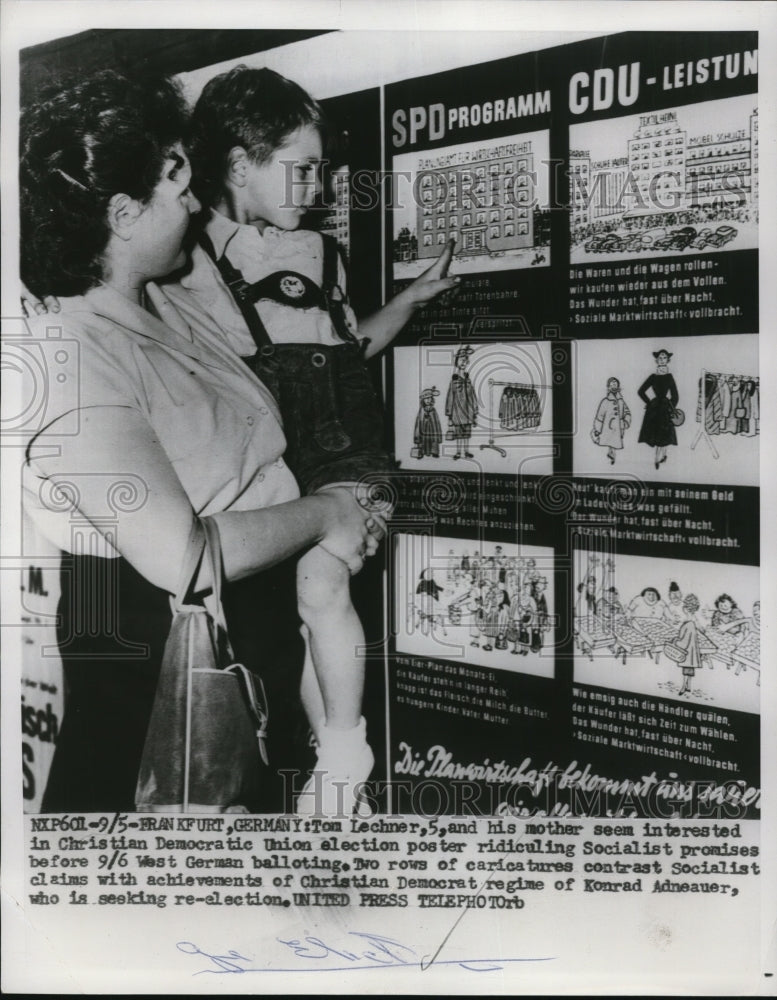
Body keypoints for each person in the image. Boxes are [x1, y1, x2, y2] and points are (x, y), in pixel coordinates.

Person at [19, 71, 383, 814]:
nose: (194, 200)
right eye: (176, 184)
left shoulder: (167, 301)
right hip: (156, 697)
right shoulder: (67, 354)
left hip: (254, 666)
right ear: (122, 214)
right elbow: (179, 559)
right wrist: (326, 515)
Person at [159, 66, 458, 814]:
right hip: (268, 456)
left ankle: (347, 751)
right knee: (301, 608)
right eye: (299, 169)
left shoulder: (322, 253)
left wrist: (408, 304)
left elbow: (348, 348)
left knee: (323, 585)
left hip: (346, 446)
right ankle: (330, 758)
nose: (316, 187)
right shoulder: (186, 263)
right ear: (236, 166)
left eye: (319, 169)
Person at [637, 349, 680, 469]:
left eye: (664, 358)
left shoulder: (669, 377)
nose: (662, 360)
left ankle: (662, 456)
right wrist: (649, 403)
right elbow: (640, 391)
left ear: (668, 360)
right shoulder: (653, 376)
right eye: (660, 358)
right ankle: (657, 458)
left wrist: (672, 407)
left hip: (665, 408)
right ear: (657, 360)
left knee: (665, 434)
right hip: (655, 409)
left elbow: (675, 395)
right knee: (658, 434)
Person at [445, 345, 478, 458]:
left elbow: (472, 395)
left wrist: (475, 410)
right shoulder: (454, 380)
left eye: (465, 360)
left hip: (468, 412)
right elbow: (450, 397)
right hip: (457, 412)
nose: (464, 362)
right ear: (457, 362)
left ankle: (466, 451)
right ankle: (459, 452)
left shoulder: (468, 379)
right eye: (461, 360)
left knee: (467, 434)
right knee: (459, 434)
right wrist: (449, 414)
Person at [591, 376, 631, 464]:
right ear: (608, 386)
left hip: (618, 427)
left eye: (615, 383)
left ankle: (611, 454)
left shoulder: (621, 400)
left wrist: (626, 422)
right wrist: (598, 428)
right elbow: (600, 416)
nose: (614, 384)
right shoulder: (605, 401)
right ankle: (612, 456)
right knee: (611, 441)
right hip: (608, 427)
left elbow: (627, 412)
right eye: (612, 383)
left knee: (614, 442)